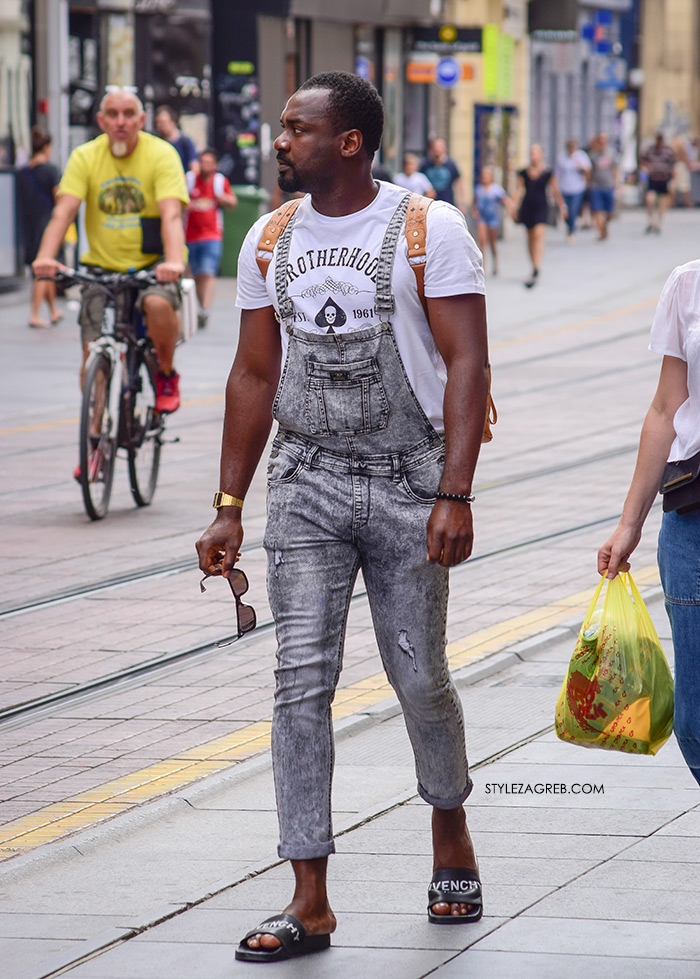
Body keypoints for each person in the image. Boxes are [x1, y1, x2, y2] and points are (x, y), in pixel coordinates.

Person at [196, 70, 489, 962]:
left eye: (297, 129)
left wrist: (454, 490)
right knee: (299, 680)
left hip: (410, 481)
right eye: (283, 129)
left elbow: (468, 364)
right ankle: (308, 892)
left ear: (349, 142)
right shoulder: (270, 238)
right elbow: (253, 375)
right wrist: (228, 504)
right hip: (309, 479)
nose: (280, 142)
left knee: (418, 675)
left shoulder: (426, 230)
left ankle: (449, 827)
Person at [598, 259, 700, 788]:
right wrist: (629, 523)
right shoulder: (687, 284)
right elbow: (666, 408)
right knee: (694, 721)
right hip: (693, 523)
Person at [32, 87, 188, 419]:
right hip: (100, 268)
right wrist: (46, 257)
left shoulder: (161, 154)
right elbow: (64, 212)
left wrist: (174, 262)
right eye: (113, 115)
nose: (121, 122)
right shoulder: (85, 156)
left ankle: (165, 375)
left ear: (142, 120)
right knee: (92, 355)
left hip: (153, 264)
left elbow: (171, 214)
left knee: (158, 303)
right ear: (101, 121)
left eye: (129, 114)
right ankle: (94, 438)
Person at [185, 148, 237, 328]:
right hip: (190, 235)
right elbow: (178, 201)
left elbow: (233, 202)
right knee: (197, 274)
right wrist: (189, 205)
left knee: (208, 272)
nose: (205, 166)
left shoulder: (219, 182)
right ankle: (201, 306)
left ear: (214, 165)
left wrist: (222, 198)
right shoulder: (190, 180)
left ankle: (205, 309)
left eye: (209, 163)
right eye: (202, 162)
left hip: (212, 234)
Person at [16, 127, 62, 328]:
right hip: (46, 224)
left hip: (28, 225)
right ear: (46, 147)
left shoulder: (24, 172)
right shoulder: (51, 171)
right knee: (43, 269)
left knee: (45, 268)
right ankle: (34, 314)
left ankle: (53, 311)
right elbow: (60, 199)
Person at [515, 144, 566, 288]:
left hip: (542, 206)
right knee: (530, 236)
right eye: (531, 153)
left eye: (536, 153)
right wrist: (514, 205)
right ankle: (533, 265)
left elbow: (555, 190)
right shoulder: (523, 172)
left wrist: (562, 206)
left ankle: (537, 266)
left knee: (538, 234)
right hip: (527, 207)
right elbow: (518, 190)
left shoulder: (548, 172)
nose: (533, 156)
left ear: (542, 155)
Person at [472, 166, 514, 275]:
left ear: (491, 177)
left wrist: (511, 210)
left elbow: (506, 200)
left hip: (492, 218)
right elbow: (474, 202)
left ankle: (495, 263)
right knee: (481, 240)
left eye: (487, 175)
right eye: (483, 175)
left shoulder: (496, 189)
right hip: (482, 217)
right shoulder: (478, 189)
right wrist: (475, 211)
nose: (485, 177)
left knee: (492, 242)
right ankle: (482, 265)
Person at [554, 139, 591, 242]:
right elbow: (557, 174)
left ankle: (571, 230)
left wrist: (581, 167)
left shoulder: (581, 156)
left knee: (574, 209)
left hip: (577, 187)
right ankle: (569, 226)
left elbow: (588, 170)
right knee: (566, 211)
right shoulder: (561, 157)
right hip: (564, 187)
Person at [640, 133, 676, 233]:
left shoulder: (668, 151)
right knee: (649, 200)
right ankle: (650, 220)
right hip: (653, 179)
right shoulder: (650, 150)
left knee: (662, 202)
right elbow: (642, 160)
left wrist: (673, 181)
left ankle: (658, 223)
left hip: (664, 179)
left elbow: (673, 166)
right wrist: (647, 167)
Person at [588, 132, 619, 241]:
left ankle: (604, 225)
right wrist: (588, 183)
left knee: (610, 212)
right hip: (596, 186)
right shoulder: (593, 154)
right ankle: (601, 232)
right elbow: (589, 170)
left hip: (609, 185)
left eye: (604, 140)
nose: (602, 142)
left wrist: (617, 183)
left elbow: (616, 168)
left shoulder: (611, 153)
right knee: (597, 210)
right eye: (600, 140)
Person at [420, 138, 466, 209]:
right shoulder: (425, 165)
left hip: (447, 204)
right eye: (435, 148)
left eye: (439, 148)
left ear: (444, 149)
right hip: (429, 204)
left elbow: (459, 183)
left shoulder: (451, 165)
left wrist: (461, 203)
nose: (437, 150)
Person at [154, 104, 198, 173]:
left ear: (173, 122)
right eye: (157, 123)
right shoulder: (156, 141)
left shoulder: (185, 142)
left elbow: (194, 166)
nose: (159, 126)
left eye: (163, 122)